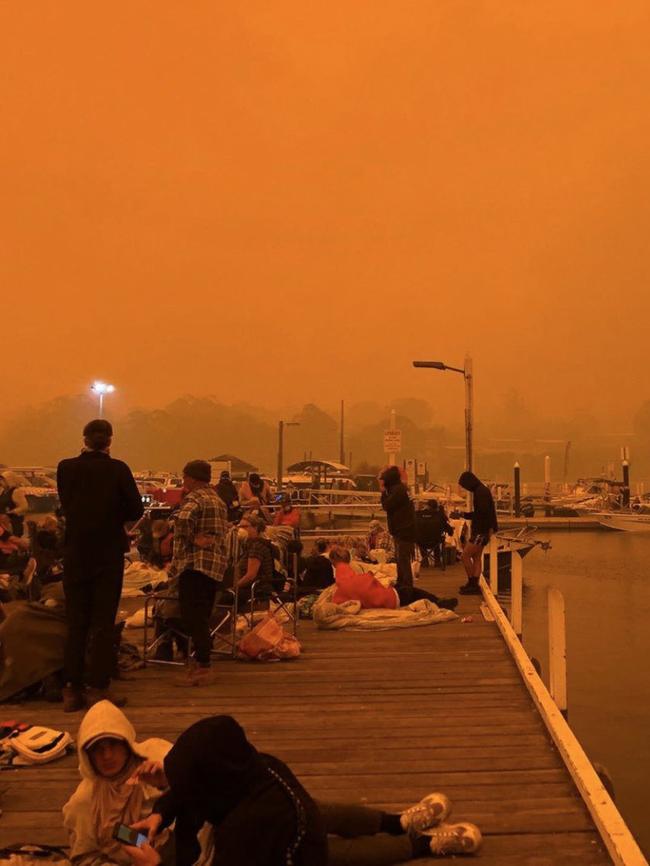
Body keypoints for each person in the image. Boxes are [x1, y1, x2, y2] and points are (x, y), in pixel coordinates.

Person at [123, 715, 481, 866]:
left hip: (290, 850)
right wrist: (160, 813)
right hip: (288, 811)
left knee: (339, 852)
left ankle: (415, 838)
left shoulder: (239, 833)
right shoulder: (252, 767)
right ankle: (409, 829)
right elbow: (189, 787)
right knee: (322, 813)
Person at [57, 420, 144, 712]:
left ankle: (71, 689)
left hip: (75, 552)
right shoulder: (118, 469)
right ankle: (97, 687)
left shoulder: (65, 468)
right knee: (103, 623)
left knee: (76, 622)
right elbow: (136, 509)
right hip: (107, 553)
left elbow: (66, 504)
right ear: (109, 441)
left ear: (84, 438)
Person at [63, 700, 172, 866]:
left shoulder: (158, 757)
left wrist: (166, 781)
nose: (107, 755)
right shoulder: (84, 801)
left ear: (127, 744)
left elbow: (201, 798)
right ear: (87, 755)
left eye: (113, 744)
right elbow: (85, 857)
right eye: (97, 748)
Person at [170, 460, 228, 686]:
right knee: (202, 615)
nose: (183, 482)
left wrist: (190, 538)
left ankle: (202, 663)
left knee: (192, 615)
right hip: (214, 565)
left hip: (194, 564)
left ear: (192, 479)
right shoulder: (218, 500)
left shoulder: (194, 498)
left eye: (185, 478)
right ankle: (202, 660)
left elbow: (183, 520)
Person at [329, 547, 457, 610]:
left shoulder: (341, 575)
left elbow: (352, 588)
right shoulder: (349, 570)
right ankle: (439, 602)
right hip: (389, 598)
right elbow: (363, 582)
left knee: (406, 589)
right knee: (410, 591)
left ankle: (438, 601)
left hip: (384, 595)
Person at [457, 471, 499, 595]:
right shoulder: (482, 490)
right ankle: (474, 583)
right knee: (476, 557)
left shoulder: (480, 492)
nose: (465, 488)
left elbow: (481, 513)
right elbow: (484, 513)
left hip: (481, 530)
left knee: (465, 556)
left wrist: (465, 515)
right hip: (484, 529)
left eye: (465, 485)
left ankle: (472, 582)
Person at [380, 466, 416, 589]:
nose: (383, 483)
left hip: (403, 529)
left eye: (384, 480)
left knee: (403, 559)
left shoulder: (398, 491)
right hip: (405, 528)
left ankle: (406, 585)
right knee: (400, 558)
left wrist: (383, 492)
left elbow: (386, 505)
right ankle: (402, 582)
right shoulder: (401, 489)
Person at [236, 515, 276, 603]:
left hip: (257, 589)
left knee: (222, 597)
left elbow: (250, 576)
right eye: (240, 527)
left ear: (255, 528)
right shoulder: (249, 545)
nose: (241, 530)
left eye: (245, 527)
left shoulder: (257, 547)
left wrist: (234, 587)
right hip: (253, 587)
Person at [415, 501, 453, 568]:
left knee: (420, 539)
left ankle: (425, 560)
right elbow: (447, 527)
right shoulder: (439, 515)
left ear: (427, 506)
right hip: (435, 540)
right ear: (436, 507)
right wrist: (450, 532)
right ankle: (437, 561)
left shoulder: (418, 514)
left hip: (421, 541)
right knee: (437, 539)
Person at [0, 471, 29, 538]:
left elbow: (24, 506)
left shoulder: (16, 492)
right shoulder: (2, 491)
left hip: (14, 523)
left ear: (9, 480)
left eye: (3, 480)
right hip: (3, 523)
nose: (1, 482)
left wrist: (11, 513)